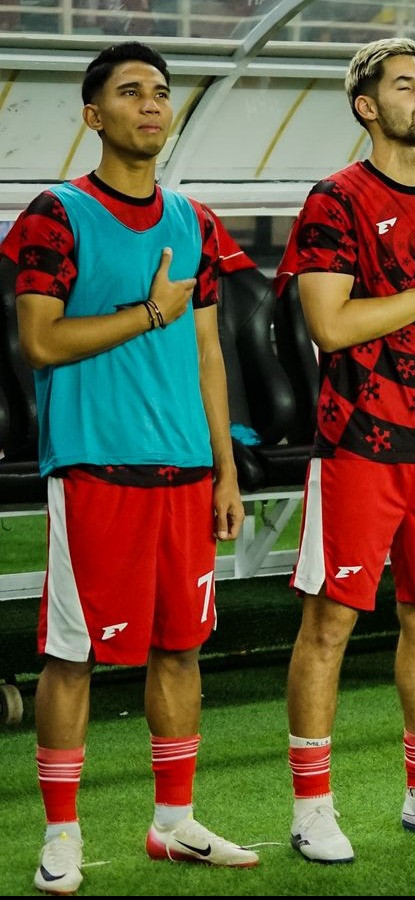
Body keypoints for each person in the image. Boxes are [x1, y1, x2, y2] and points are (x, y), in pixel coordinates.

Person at [7, 41, 256, 894]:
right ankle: (63, 834)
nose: (151, 104)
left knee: (181, 649)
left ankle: (174, 823)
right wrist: (147, 310)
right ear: (92, 115)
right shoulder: (56, 214)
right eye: (129, 92)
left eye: (160, 91)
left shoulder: (195, 221)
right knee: (72, 655)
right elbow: (41, 341)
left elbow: (207, 353)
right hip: (93, 470)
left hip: (185, 473)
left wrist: (225, 469)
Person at [278, 37, 415, 863]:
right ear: (367, 107)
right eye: (405, 85)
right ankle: (311, 806)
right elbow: (329, 326)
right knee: (331, 619)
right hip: (358, 443)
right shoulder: (333, 200)